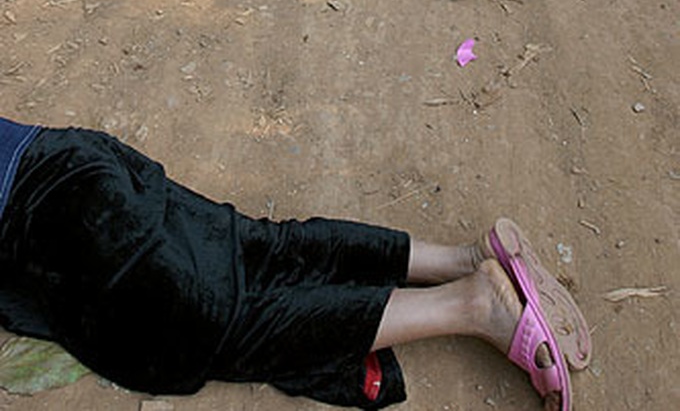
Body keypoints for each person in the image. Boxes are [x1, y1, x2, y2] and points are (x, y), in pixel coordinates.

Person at [0, 114, 587, 409]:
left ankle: (471, 304)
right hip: (67, 155)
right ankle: (463, 258)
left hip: (49, 217)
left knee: (221, 320)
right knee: (252, 245)